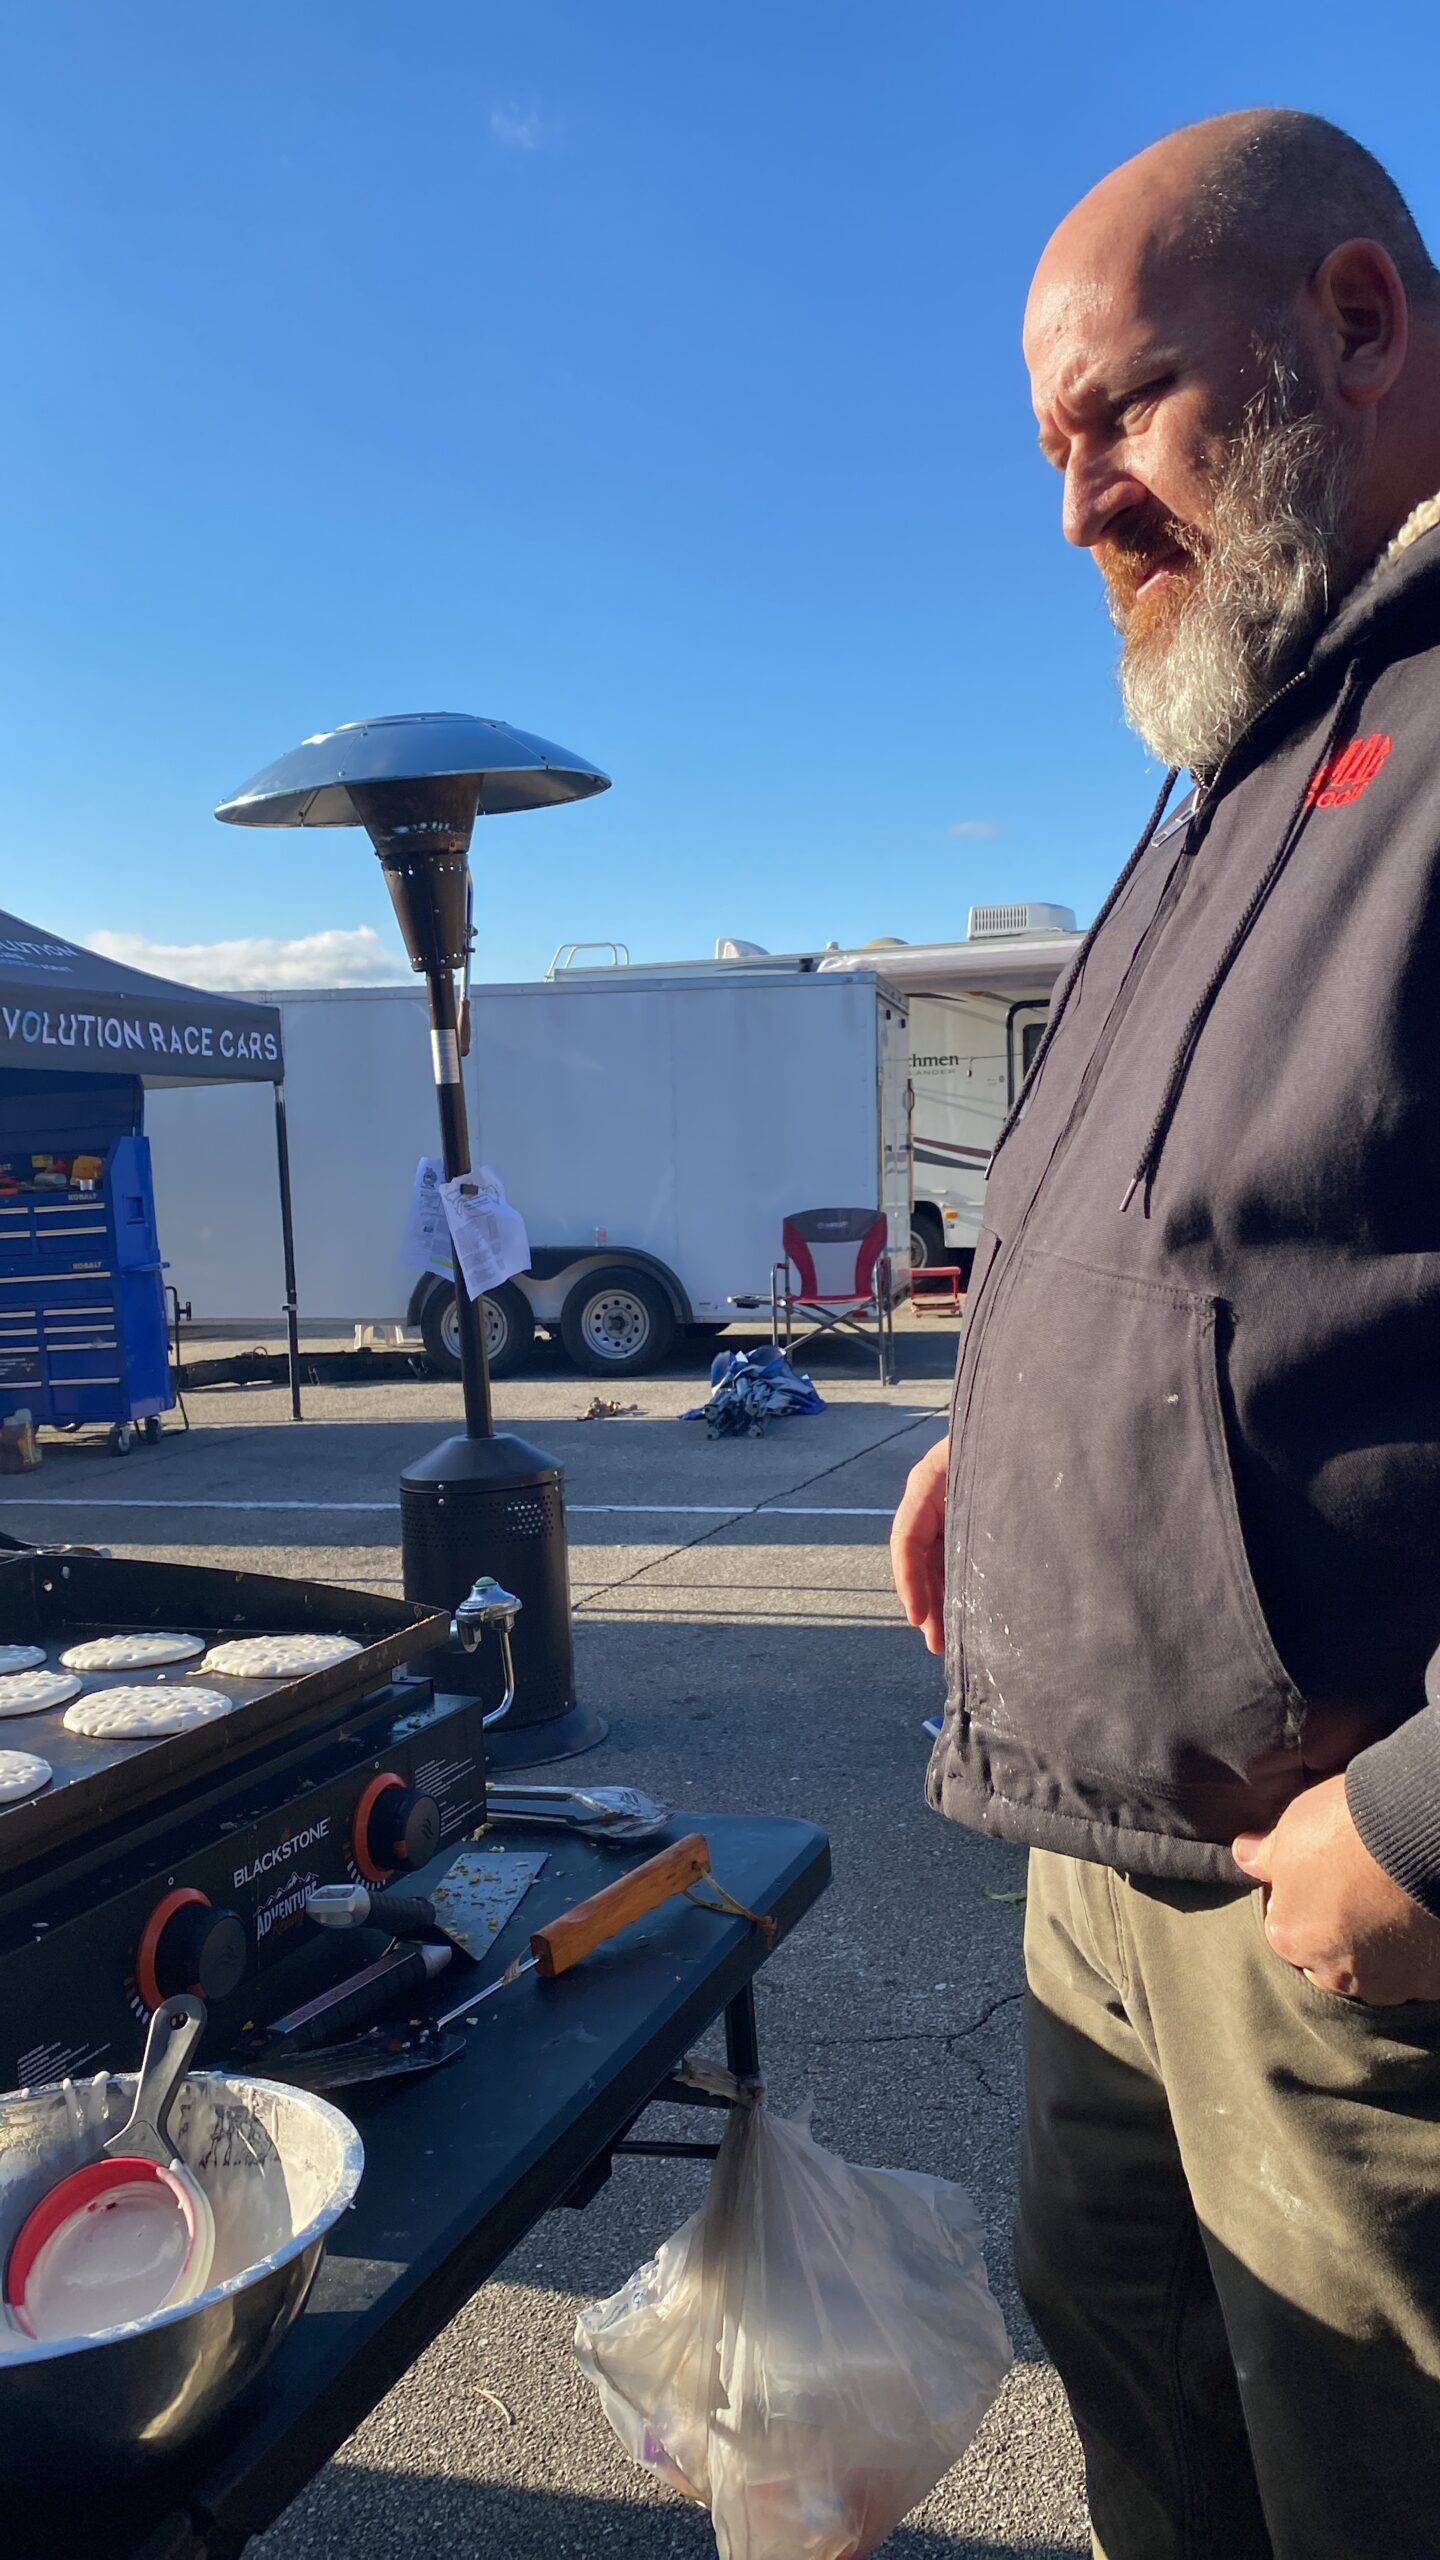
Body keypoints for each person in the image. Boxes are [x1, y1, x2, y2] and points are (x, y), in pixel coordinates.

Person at [891, 108, 1440, 2560]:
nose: (1077, 504)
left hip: (1355, 1923)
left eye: (1120, 411)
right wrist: (1008, 1442)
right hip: (1106, 1869)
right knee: (1158, 2439)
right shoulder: (1239, 745)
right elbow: (1207, 1231)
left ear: (1357, 321)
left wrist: (1424, 1823)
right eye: (1052, 447)